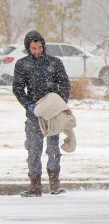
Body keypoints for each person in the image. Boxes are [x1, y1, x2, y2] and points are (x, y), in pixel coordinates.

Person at [12, 31, 71, 197]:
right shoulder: (22, 65)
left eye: (39, 47)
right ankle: (35, 186)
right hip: (34, 114)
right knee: (33, 149)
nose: (37, 51)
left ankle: (55, 184)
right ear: (28, 48)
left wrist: (59, 103)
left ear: (43, 46)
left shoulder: (55, 63)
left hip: (53, 114)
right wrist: (29, 105)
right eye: (33, 48)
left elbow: (65, 84)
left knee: (53, 148)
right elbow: (17, 89)